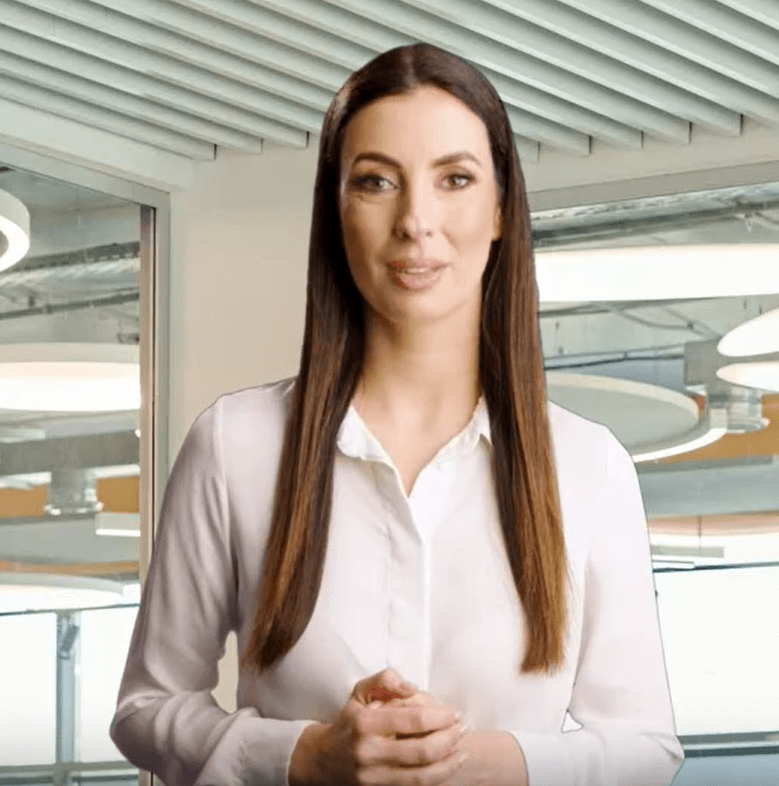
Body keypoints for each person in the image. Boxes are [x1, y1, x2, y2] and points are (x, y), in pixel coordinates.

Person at [110, 42, 684, 786]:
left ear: (500, 208)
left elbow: (644, 746)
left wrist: (468, 762)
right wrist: (305, 756)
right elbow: (147, 708)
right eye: (376, 181)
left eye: (454, 179)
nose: (416, 220)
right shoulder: (235, 444)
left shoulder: (587, 464)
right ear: (336, 210)